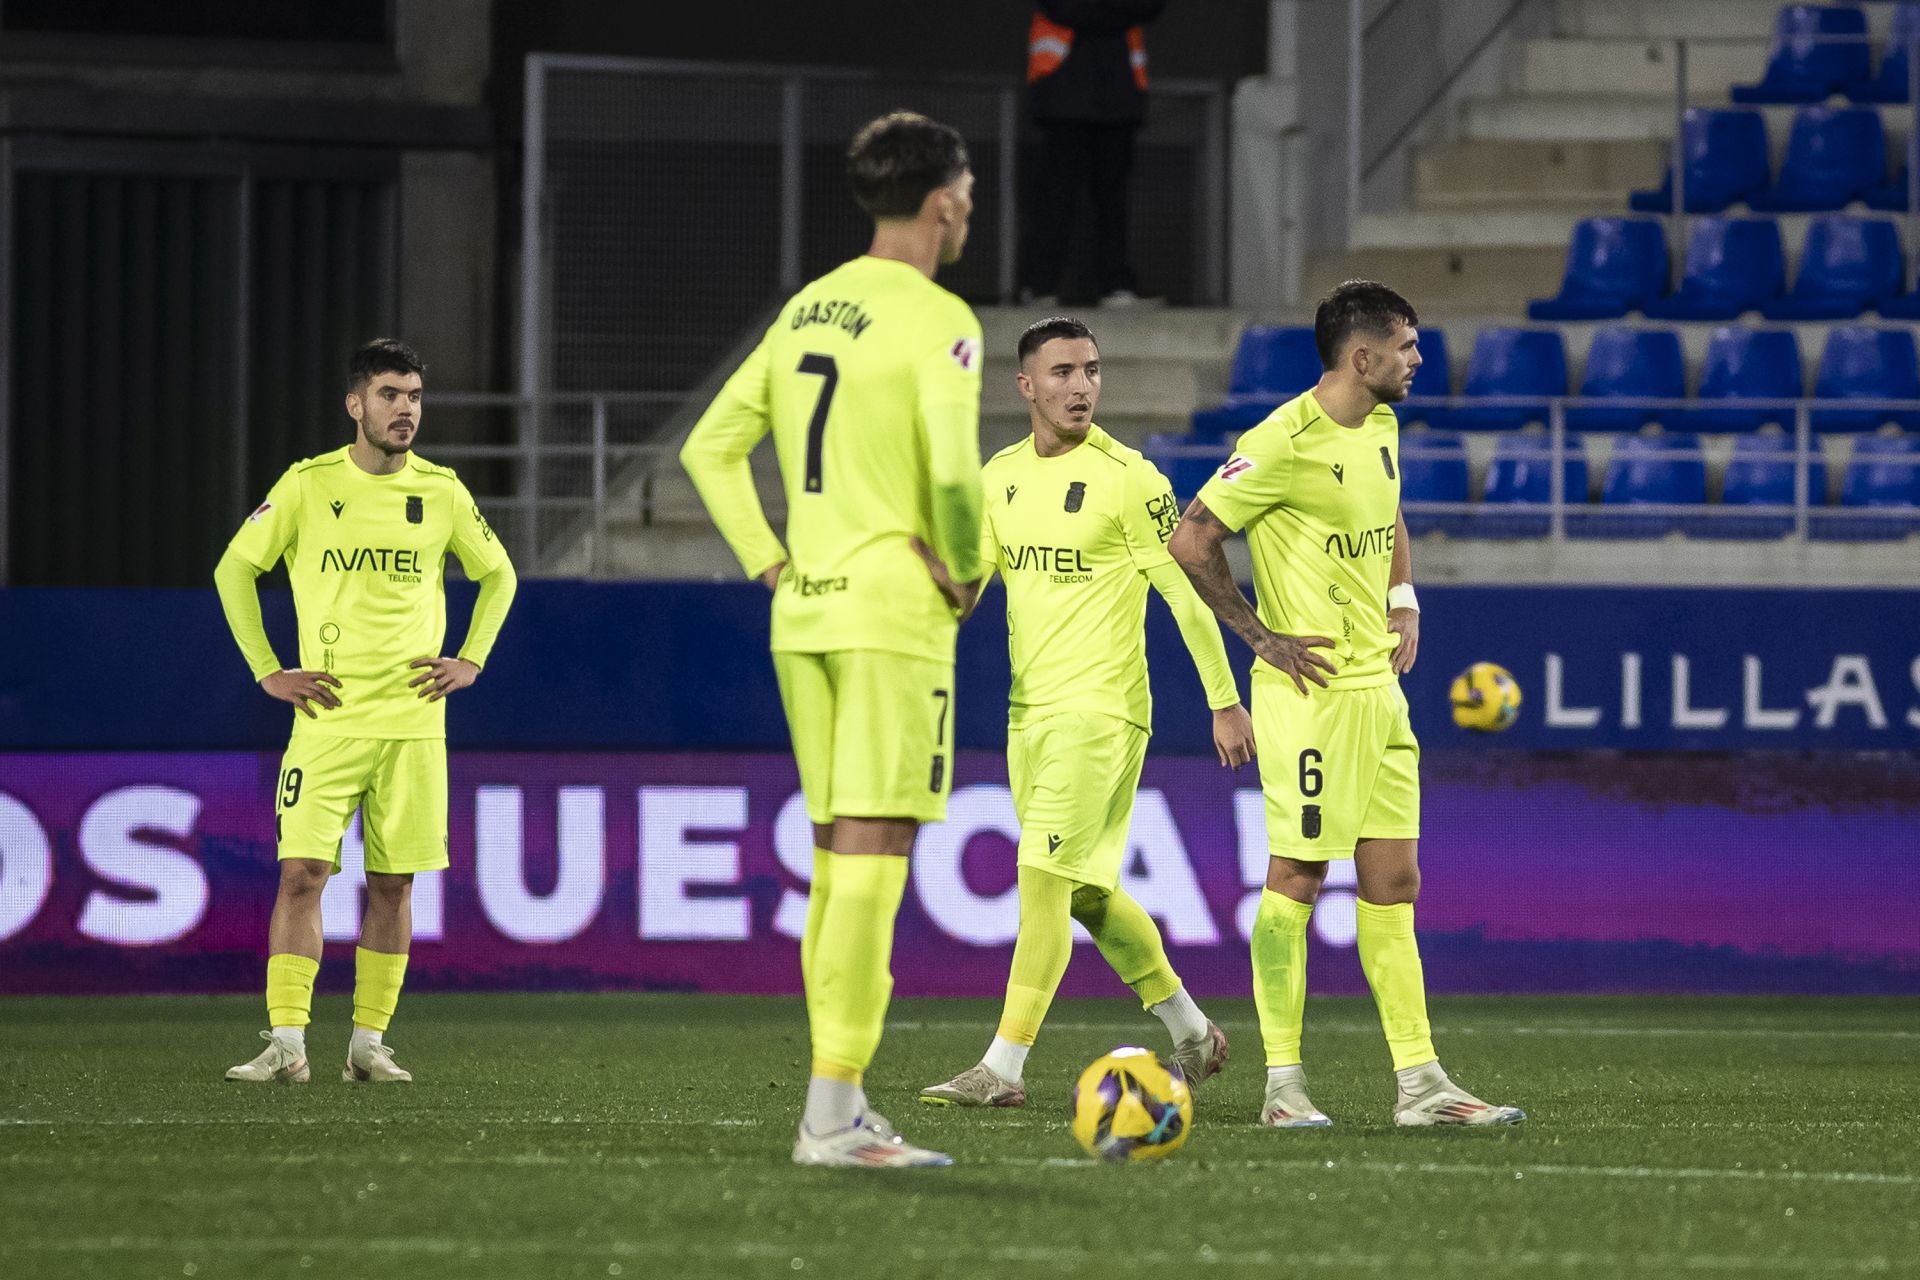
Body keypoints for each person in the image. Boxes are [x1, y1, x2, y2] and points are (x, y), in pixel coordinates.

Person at [679, 110, 986, 1168]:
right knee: (875, 850)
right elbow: (953, 474)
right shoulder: (940, 317)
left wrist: (769, 558)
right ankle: (833, 1111)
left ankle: (836, 1099)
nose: (972, 207)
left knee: (835, 852)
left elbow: (710, 449)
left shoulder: (811, 305)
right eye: (970, 191)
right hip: (892, 613)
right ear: (944, 200)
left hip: (802, 608)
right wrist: (967, 565)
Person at [1167, 281, 1524, 1128]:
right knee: (1296, 875)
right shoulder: (1280, 441)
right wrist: (1261, 638)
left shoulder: (1385, 425)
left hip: (1380, 693)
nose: (1418, 358)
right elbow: (1192, 537)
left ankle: (1421, 1087)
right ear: (1361, 357)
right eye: (1406, 344)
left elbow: (1387, 506)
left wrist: (1405, 597)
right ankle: (1283, 1089)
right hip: (1311, 700)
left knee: (1395, 883)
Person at [918, 316, 1254, 1109]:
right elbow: (969, 588)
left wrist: (1225, 700)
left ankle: (1002, 1069)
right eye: (1063, 372)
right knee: (1086, 893)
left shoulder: (1131, 479)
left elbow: (1187, 595)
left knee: (1040, 879)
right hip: (1027, 716)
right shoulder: (997, 476)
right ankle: (1193, 1030)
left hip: (1102, 712)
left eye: (1092, 371)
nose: (1081, 387)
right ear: (1026, 385)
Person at [215, 338, 517, 1086]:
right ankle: (287, 1043)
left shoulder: (443, 491)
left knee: (394, 885)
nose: (404, 409)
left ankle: (368, 1044)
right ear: (356, 405)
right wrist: (267, 670)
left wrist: (471, 658)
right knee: (301, 875)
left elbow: (499, 572)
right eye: (389, 395)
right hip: (328, 718)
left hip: (414, 724)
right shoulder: (309, 485)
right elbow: (235, 568)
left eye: (413, 395)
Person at [1021, 0, 1167, 308]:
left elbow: (1149, 8)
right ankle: (1040, 286)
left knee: (1114, 199)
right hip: (1063, 94)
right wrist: (1116, 12)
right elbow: (1062, 9)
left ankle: (1116, 287)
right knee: (1055, 196)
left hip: (1118, 95)